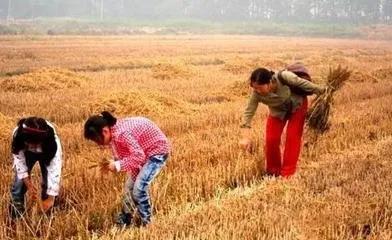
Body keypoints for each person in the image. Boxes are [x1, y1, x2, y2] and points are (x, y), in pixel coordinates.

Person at [84, 111, 170, 227]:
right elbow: (131, 157)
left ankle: (148, 223)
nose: (98, 144)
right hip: (144, 152)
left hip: (156, 152)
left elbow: (138, 156)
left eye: (97, 140)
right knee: (128, 189)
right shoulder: (113, 136)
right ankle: (126, 218)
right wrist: (117, 163)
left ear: (105, 131)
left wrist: (117, 165)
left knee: (138, 190)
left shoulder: (121, 134)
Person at [239, 64, 326, 178]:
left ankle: (288, 173)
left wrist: (323, 91)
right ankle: (273, 171)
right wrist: (245, 137)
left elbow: (303, 84)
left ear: (270, 82)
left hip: (297, 106)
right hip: (278, 112)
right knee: (271, 139)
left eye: (260, 87)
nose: (257, 91)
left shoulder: (284, 77)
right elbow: (248, 113)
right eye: (254, 88)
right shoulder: (256, 94)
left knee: (292, 136)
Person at [9, 117, 62, 219]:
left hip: (46, 152)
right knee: (18, 186)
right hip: (26, 154)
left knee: (48, 184)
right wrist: (28, 185)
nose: (32, 147)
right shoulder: (18, 136)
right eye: (29, 144)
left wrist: (50, 198)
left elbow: (54, 170)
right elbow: (20, 162)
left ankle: (46, 215)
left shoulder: (52, 142)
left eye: (35, 144)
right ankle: (16, 217)